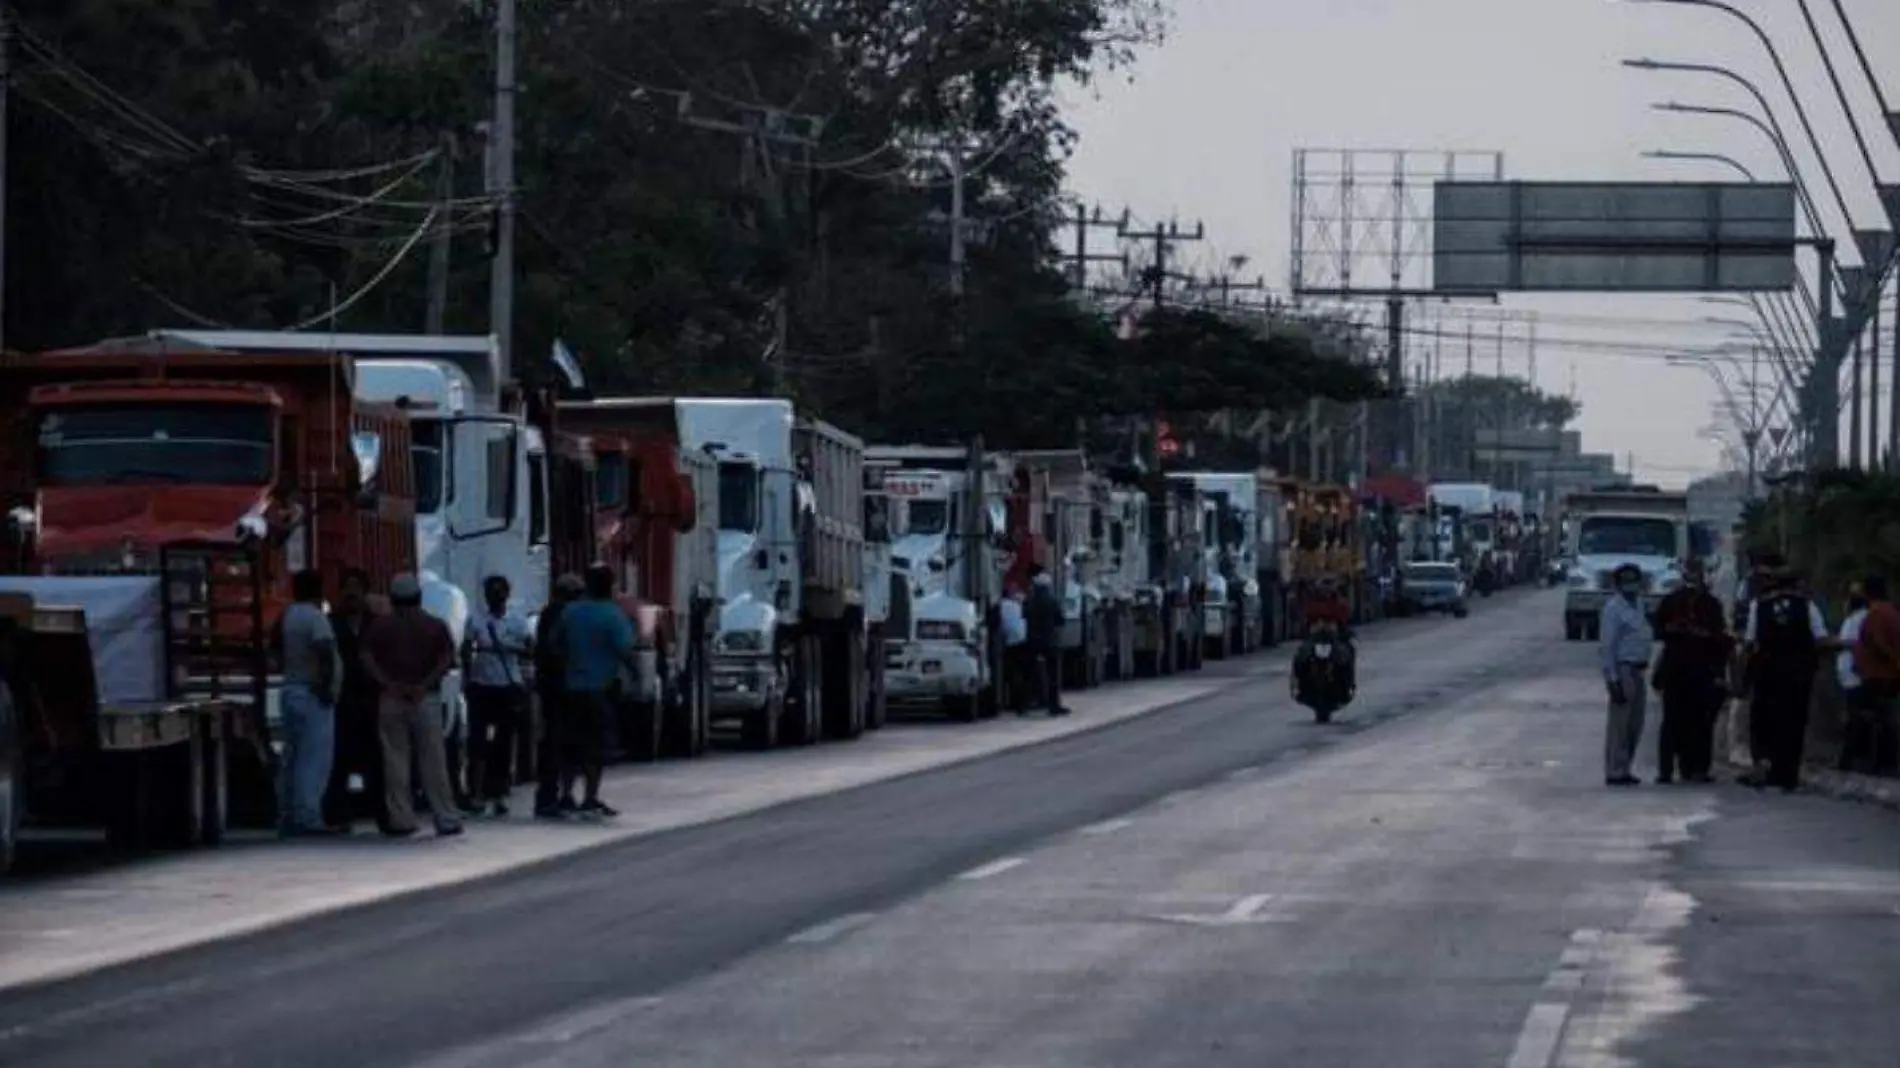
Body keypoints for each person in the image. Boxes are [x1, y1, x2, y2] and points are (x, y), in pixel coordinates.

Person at [361, 572, 464, 837]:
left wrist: (389, 684)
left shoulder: (380, 627)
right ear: (419, 597)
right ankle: (446, 817)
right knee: (433, 760)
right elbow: (446, 659)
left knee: (395, 761)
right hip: (425, 698)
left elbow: (367, 659)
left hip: (391, 699)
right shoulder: (434, 625)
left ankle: (401, 819)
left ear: (393, 599)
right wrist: (423, 684)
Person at [549, 564, 640, 816]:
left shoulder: (570, 612)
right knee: (595, 746)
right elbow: (625, 650)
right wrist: (635, 674)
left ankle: (566, 795)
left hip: (571, 688)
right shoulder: (613, 616)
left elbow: (555, 644)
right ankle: (590, 797)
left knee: (570, 744)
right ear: (609, 586)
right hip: (600, 689)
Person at [1741, 565, 1830, 792]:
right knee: (1794, 723)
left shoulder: (1758, 605)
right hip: (1798, 675)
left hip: (1767, 673)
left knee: (1764, 721)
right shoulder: (1807, 606)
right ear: (1796, 583)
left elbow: (1750, 642)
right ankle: (1788, 775)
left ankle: (1766, 766)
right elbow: (1820, 638)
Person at [276, 569, 344, 835]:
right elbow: (325, 651)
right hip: (312, 694)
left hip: (291, 689)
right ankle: (309, 816)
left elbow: (274, 645)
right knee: (314, 759)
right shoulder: (316, 617)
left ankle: (288, 814)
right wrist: (326, 686)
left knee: (292, 756)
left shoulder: (288, 615)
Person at [1650, 557, 1730, 784]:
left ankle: (1696, 768)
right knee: (1672, 721)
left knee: (1701, 722)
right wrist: (1673, 629)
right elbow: (1658, 630)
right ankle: (1666, 770)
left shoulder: (1711, 604)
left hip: (1702, 670)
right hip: (1676, 669)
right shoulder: (1671, 601)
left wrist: (1704, 636)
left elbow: (1720, 638)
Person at [323, 568, 388, 831]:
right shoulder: (330, 624)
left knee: (376, 758)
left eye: (356, 587)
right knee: (338, 759)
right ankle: (338, 814)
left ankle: (382, 812)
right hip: (341, 699)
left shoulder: (377, 624)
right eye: (346, 587)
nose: (351, 593)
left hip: (372, 699)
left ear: (365, 592)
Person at [463, 574, 533, 818]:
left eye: (499, 592)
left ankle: (500, 792)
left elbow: (529, 649)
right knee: (478, 742)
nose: (495, 597)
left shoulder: (516, 621)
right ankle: (477, 792)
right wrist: (467, 676)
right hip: (481, 685)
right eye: (491, 592)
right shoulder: (476, 620)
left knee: (504, 742)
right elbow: (465, 648)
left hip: (506, 685)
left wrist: (507, 648)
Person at [534, 574, 585, 819]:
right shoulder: (565, 615)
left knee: (557, 741)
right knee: (563, 742)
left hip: (554, 686)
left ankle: (554, 794)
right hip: (564, 686)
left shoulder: (550, 614)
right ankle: (556, 794)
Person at [1598, 563, 1654, 787]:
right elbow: (1607, 646)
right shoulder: (1613, 608)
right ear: (1618, 584)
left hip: (1639, 669)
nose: (1631, 585)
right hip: (1623, 669)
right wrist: (1612, 680)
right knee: (1620, 724)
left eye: (1635, 580)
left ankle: (1626, 767)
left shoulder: (1638, 604)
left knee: (1635, 723)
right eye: (1626, 581)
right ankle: (1614, 770)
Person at [1852, 575, 1900, 775]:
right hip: (1884, 673)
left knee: (1876, 720)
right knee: (1883, 719)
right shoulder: (1892, 612)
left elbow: (1878, 642)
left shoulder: (1877, 614)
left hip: (1878, 675)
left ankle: (1881, 763)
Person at [1834, 582, 1873, 773]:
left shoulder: (1862, 618)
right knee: (1852, 717)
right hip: (1848, 677)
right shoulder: (1851, 619)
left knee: (1857, 719)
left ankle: (1853, 760)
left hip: (1856, 676)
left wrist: (1838, 643)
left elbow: (1856, 643)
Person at [1022, 565, 1068, 716]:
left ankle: (1024, 706)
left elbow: (1024, 615)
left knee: (1028, 674)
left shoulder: (1030, 600)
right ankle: (1054, 706)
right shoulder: (1052, 600)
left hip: (1032, 639)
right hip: (1049, 640)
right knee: (1053, 675)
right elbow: (1060, 620)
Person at [999, 585, 1030, 714]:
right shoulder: (1017, 605)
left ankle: (1013, 702)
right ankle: (1021, 705)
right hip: (1022, 640)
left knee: (1012, 674)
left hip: (1010, 643)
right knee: (1021, 674)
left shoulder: (1001, 606)